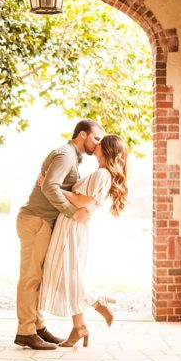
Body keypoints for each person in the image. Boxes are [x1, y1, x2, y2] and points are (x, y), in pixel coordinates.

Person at [14, 119, 103, 350]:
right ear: (82, 135)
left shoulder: (73, 158)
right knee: (31, 278)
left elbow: (54, 186)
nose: (97, 143)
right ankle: (25, 332)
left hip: (43, 222)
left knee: (39, 279)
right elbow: (49, 186)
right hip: (36, 221)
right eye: (95, 138)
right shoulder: (65, 155)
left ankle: (38, 327)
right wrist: (72, 212)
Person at [39, 134, 128, 347]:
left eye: (100, 142)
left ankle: (98, 304)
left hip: (72, 226)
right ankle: (79, 326)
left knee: (67, 274)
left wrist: (52, 187)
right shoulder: (102, 174)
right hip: (72, 225)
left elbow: (83, 201)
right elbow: (82, 200)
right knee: (68, 274)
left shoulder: (101, 174)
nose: (95, 145)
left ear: (106, 150)